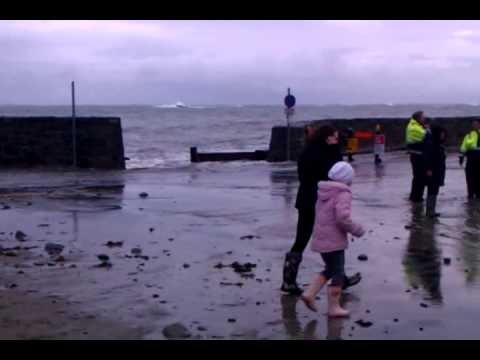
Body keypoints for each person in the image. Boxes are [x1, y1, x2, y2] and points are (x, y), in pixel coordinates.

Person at [281, 125, 361, 295]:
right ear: (327, 138)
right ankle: (341, 279)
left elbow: (304, 177)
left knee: (301, 238)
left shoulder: (306, 151)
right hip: (323, 201)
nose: (337, 139)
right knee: (334, 239)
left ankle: (288, 280)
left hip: (305, 200)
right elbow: (336, 176)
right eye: (335, 137)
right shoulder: (330, 153)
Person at [300, 161, 365, 317]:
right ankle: (333, 307)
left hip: (321, 238)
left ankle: (310, 293)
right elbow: (342, 218)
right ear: (347, 179)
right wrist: (357, 230)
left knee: (330, 269)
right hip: (333, 241)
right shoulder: (343, 193)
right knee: (338, 273)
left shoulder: (324, 190)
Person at [424, 126, 447, 217]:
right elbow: (428, 158)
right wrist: (429, 169)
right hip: (433, 170)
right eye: (441, 134)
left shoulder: (439, 144)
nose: (443, 135)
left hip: (438, 170)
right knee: (432, 190)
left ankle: (431, 210)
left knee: (435, 190)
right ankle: (430, 211)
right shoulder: (433, 145)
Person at [406, 111, 429, 202]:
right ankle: (416, 197)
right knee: (419, 177)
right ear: (418, 118)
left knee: (418, 177)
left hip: (417, 154)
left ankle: (416, 196)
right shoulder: (414, 127)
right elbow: (427, 135)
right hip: (417, 155)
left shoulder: (415, 125)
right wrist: (426, 129)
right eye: (423, 117)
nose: (424, 119)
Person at [460, 119, 480, 199]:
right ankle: (470, 193)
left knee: (478, 177)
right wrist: (461, 156)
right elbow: (463, 146)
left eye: (476, 123)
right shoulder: (468, 135)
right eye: (473, 124)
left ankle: (478, 193)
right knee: (470, 177)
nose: (474, 125)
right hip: (471, 157)